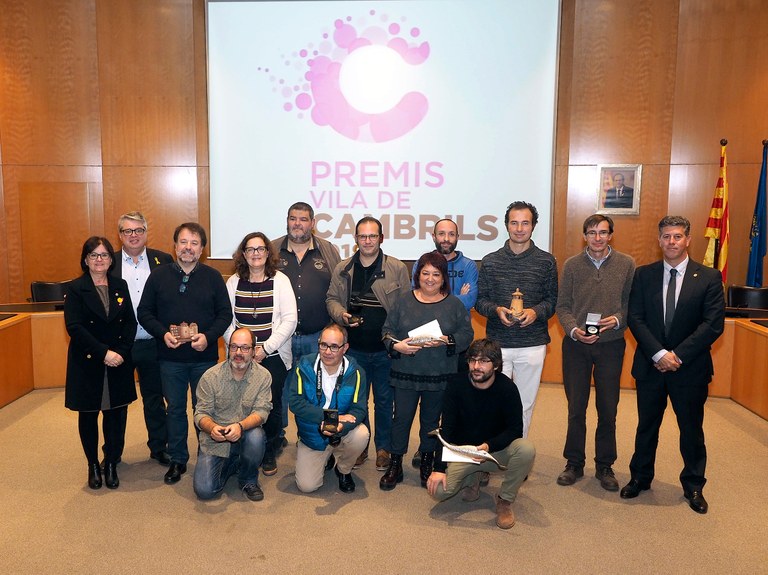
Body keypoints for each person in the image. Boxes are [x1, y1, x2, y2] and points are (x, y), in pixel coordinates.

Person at [620, 216, 725, 514]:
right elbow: (635, 318)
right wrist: (658, 354)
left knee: (691, 429)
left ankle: (693, 485)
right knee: (646, 426)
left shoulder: (709, 277)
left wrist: (677, 355)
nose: (671, 242)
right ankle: (640, 477)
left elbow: (713, 324)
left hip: (689, 368)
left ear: (688, 239)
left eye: (677, 236)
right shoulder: (644, 275)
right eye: (666, 236)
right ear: (659, 240)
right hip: (650, 366)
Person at [138, 222, 232, 485]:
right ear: (175, 246)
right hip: (171, 360)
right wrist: (162, 334)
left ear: (202, 249)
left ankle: (206, 456)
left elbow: (225, 314)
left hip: (204, 359)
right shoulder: (158, 276)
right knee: (176, 410)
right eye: (183, 242)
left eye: (194, 243)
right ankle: (178, 459)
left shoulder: (213, 277)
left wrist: (208, 337)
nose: (188, 247)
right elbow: (144, 312)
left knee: (204, 410)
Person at [380, 251, 474, 491]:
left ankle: (426, 462)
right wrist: (397, 346)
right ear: (417, 275)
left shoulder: (454, 304)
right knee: (401, 419)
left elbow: (467, 335)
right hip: (405, 371)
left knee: (431, 421)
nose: (430, 279)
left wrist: (446, 340)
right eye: (425, 273)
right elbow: (387, 331)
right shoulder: (403, 301)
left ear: (443, 278)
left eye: (436, 274)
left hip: (439, 374)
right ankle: (395, 464)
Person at [555, 214, 635, 491]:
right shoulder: (572, 265)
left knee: (608, 408)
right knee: (576, 408)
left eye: (602, 232)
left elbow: (632, 304)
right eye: (591, 233)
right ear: (584, 236)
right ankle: (574, 463)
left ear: (611, 235)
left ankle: (605, 465)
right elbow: (562, 306)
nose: (597, 238)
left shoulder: (627, 264)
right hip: (576, 346)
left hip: (611, 345)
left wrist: (617, 320)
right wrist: (573, 330)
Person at [327, 216, 410, 472]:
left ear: (381, 238)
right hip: (353, 351)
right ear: (356, 239)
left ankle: (383, 448)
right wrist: (341, 315)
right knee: (358, 402)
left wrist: (397, 342)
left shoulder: (396, 268)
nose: (367, 241)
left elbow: (406, 308)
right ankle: (360, 446)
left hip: (385, 350)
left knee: (384, 401)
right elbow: (331, 299)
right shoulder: (343, 268)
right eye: (362, 236)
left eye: (372, 236)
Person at [426, 339, 535, 530]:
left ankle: (504, 499)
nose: (476, 366)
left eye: (484, 361)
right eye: (473, 360)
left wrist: (488, 446)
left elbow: (515, 430)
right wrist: (439, 469)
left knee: (526, 450)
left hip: (493, 451)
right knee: (439, 490)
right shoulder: (456, 384)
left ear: (496, 365)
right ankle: (473, 478)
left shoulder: (507, 388)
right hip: (464, 452)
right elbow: (446, 429)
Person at [476, 201, 558, 438]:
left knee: (525, 403)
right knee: (492, 401)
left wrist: (536, 312)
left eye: (525, 223)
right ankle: (492, 449)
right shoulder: (490, 261)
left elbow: (552, 301)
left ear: (533, 226)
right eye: (514, 223)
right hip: (497, 345)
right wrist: (497, 310)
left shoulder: (546, 261)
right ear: (506, 225)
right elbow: (480, 301)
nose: (519, 228)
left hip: (532, 345)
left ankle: (517, 451)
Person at [64, 237, 137, 490]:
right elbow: (74, 327)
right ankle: (93, 464)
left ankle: (111, 462)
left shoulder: (120, 285)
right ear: (85, 259)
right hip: (88, 361)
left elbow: (130, 323)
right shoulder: (76, 288)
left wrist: (121, 352)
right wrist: (104, 353)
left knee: (115, 414)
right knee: (88, 415)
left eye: (104, 255)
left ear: (110, 260)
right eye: (93, 255)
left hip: (118, 360)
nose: (99, 260)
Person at [224, 231, 297, 476]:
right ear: (243, 254)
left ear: (268, 253)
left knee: (272, 405)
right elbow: (226, 320)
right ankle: (242, 448)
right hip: (240, 357)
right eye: (250, 249)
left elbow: (290, 320)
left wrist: (265, 349)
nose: (255, 253)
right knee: (241, 403)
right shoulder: (233, 282)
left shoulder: (280, 281)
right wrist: (240, 349)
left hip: (273, 356)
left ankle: (269, 450)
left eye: (260, 249)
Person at [410, 217, 479, 469]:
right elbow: (416, 298)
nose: (446, 239)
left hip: (457, 343)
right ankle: (425, 447)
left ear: (457, 237)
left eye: (451, 234)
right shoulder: (421, 263)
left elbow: (471, 300)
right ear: (434, 236)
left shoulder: (469, 265)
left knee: (455, 399)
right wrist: (455, 298)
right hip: (427, 344)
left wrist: (440, 302)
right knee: (428, 401)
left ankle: (451, 447)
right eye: (441, 234)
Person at [272, 202, 341, 447]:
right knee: (279, 388)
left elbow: (339, 290)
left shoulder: (328, 250)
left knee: (315, 388)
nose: (297, 224)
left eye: (303, 219)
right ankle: (277, 436)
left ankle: (310, 435)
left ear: (312, 223)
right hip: (282, 335)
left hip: (317, 336)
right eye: (293, 218)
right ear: (287, 221)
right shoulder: (273, 249)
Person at [111, 211, 173, 466]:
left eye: (138, 230)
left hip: (153, 342)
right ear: (120, 235)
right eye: (128, 231)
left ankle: (159, 447)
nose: (133, 235)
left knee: (155, 399)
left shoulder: (163, 260)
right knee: (116, 402)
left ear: (146, 233)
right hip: (120, 346)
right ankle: (113, 453)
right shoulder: (109, 262)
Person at [288, 323, 369, 494]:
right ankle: (326, 456)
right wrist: (333, 417)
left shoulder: (357, 373)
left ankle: (343, 470)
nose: (327, 351)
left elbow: (359, 410)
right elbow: (295, 403)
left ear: (345, 348)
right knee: (307, 486)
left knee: (362, 435)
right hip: (312, 433)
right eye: (323, 345)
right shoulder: (304, 366)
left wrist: (340, 425)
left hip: (341, 431)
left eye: (334, 347)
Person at [193, 328, 272, 501]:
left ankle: (248, 479)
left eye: (245, 348)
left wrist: (240, 426)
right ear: (228, 348)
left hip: (245, 433)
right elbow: (200, 414)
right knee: (205, 491)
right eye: (234, 347)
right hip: (216, 439)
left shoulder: (263, 376)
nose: (238, 353)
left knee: (256, 436)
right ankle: (233, 463)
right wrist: (212, 428)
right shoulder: (210, 376)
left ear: (253, 350)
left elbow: (262, 411)